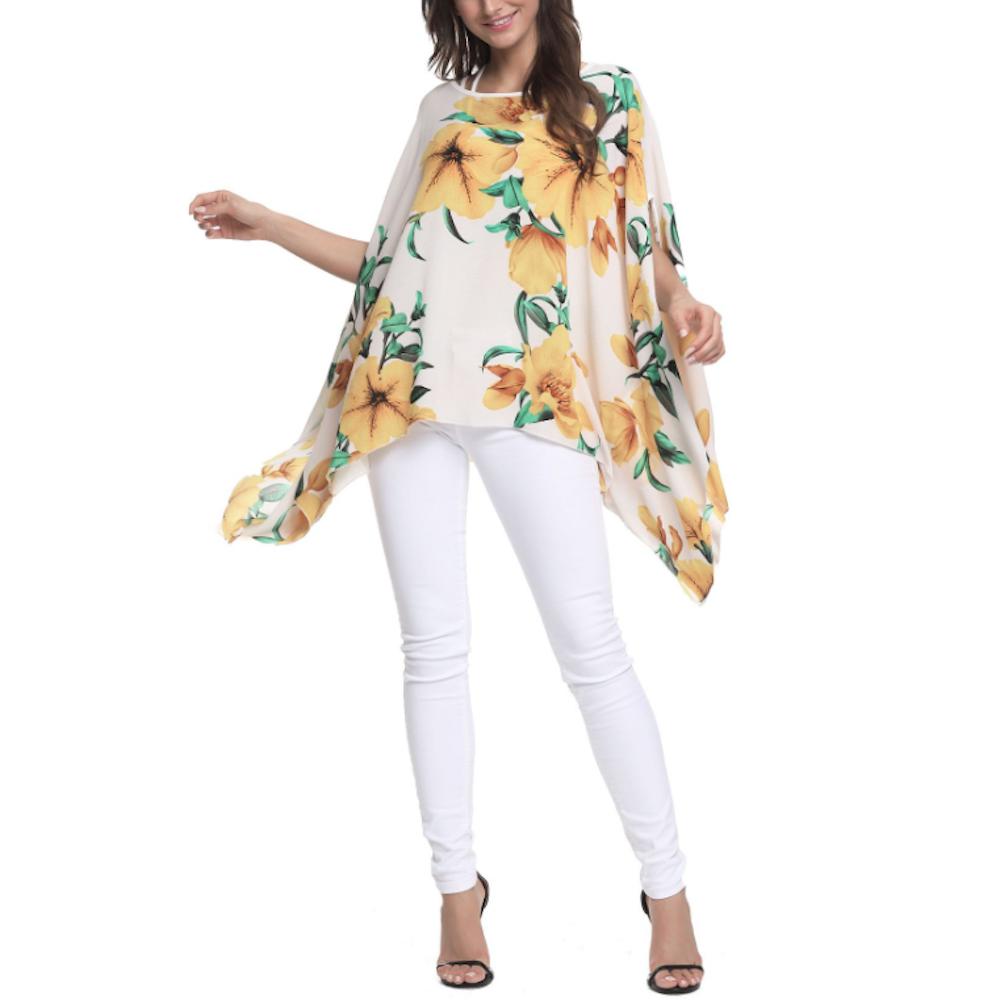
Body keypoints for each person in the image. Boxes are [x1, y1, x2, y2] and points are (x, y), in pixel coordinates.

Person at [189, 0, 728, 993]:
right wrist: (269, 226)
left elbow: (650, 256)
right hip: (410, 396)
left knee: (591, 647)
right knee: (432, 649)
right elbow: (391, 269)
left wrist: (686, 303)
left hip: (539, 399)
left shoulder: (609, 100)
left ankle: (669, 892)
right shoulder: (441, 110)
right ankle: (455, 893)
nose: (492, 2)